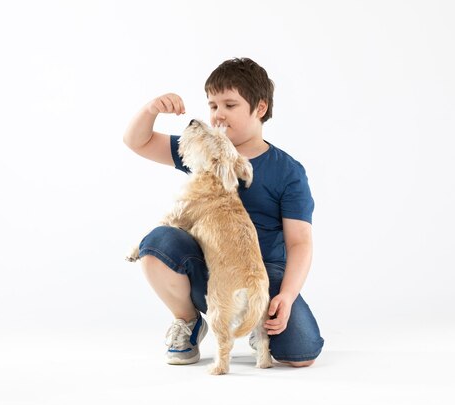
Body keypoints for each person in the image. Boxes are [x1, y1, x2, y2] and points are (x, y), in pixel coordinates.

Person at [122, 57, 324, 367]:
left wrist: (287, 295)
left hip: (263, 275)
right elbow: (139, 142)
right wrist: (152, 110)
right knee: (156, 243)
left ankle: (260, 327)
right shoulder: (204, 149)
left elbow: (300, 242)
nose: (218, 114)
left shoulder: (288, 171)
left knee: (301, 355)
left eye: (230, 105)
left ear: (260, 108)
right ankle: (189, 321)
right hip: (211, 268)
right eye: (213, 105)